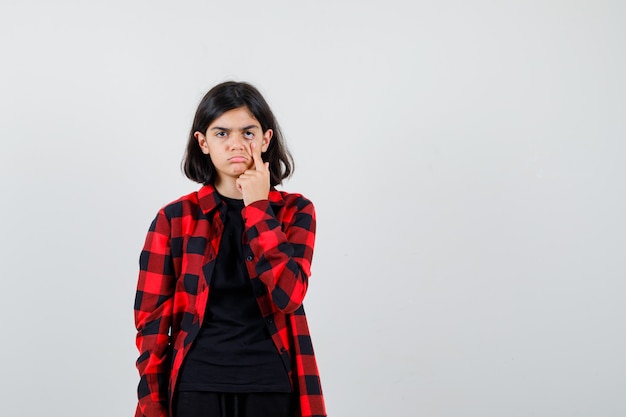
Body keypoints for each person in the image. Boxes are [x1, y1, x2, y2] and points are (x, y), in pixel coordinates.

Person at [134, 81, 326, 417]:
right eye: (222, 133)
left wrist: (258, 208)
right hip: (197, 386)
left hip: (271, 385)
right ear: (203, 142)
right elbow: (151, 325)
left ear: (266, 139)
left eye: (248, 133)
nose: (236, 144)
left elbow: (289, 294)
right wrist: (152, 404)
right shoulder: (174, 219)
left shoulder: (295, 212)